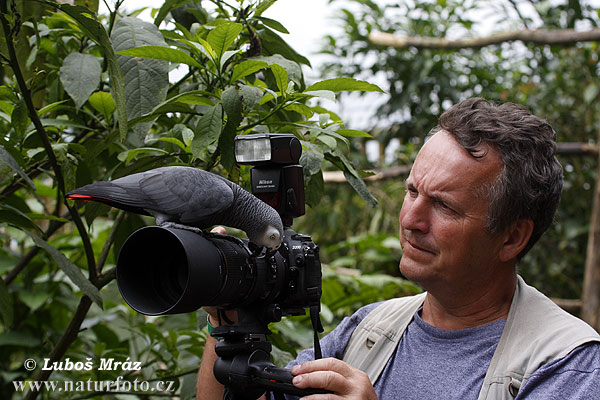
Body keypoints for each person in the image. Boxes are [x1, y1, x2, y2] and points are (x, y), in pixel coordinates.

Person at [197, 98, 600, 399]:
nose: (411, 220)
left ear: (512, 237)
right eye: (412, 191)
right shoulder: (371, 330)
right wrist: (228, 319)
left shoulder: (568, 367)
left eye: (443, 205)